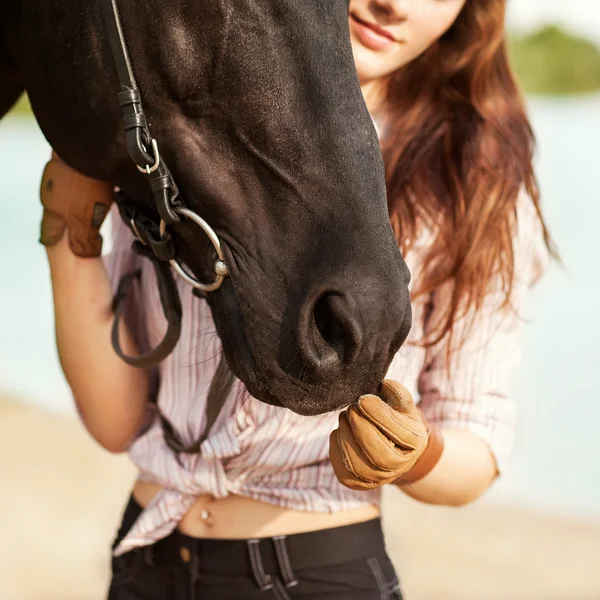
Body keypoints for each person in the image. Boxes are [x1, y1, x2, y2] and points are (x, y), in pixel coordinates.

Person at [41, 1, 555, 598]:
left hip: (313, 575)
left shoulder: (473, 177)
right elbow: (117, 421)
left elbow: (480, 443)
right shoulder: (180, 136)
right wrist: (67, 232)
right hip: (147, 560)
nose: (394, 3)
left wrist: (414, 454)